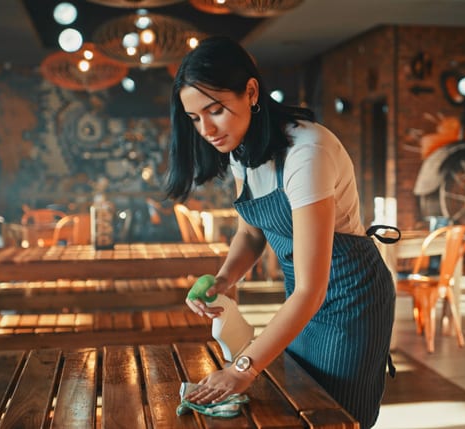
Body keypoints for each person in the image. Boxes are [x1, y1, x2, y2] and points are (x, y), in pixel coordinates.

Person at [165, 35, 395, 428]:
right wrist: (223, 279)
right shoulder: (242, 150)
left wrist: (241, 369)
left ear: (251, 91)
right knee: (299, 403)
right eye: (194, 118)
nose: (206, 129)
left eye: (215, 110)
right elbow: (252, 233)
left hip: (351, 301)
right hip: (303, 296)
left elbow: (312, 289)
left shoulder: (307, 152)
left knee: (335, 416)